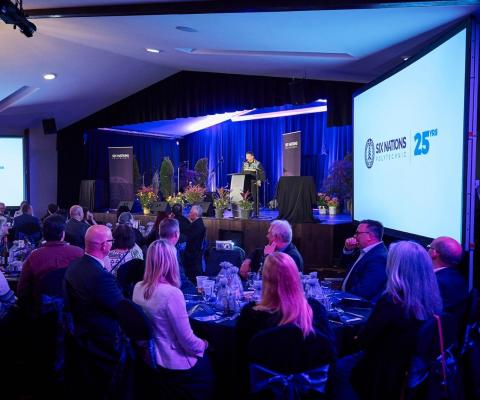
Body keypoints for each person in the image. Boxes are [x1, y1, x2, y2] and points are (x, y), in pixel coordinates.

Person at [334, 241, 443, 400]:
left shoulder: (392, 301)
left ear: (396, 266)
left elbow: (365, 340)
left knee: (336, 367)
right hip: (409, 370)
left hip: (381, 370)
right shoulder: (431, 297)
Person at [236, 252, 334, 395]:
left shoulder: (250, 315)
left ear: (265, 280)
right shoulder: (316, 311)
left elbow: (239, 365)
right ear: (296, 277)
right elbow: (331, 358)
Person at [132, 240, 213, 400]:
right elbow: (187, 341)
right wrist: (204, 344)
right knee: (214, 362)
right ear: (171, 262)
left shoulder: (137, 287)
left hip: (151, 357)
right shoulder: (172, 294)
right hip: (173, 363)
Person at [63, 225, 130, 399]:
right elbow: (121, 308)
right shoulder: (100, 276)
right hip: (103, 343)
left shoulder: (74, 266)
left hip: (79, 337)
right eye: (111, 241)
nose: (112, 244)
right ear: (104, 246)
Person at [17, 215, 83, 315]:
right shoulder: (79, 253)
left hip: (41, 314)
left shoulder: (34, 256)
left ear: (43, 234)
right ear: (63, 234)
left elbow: (22, 291)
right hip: (75, 312)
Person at [341, 219, 387, 301]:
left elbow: (365, 291)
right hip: (346, 297)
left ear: (369, 236)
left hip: (355, 305)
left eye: (358, 233)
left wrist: (342, 299)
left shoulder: (379, 258)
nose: (355, 236)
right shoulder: (364, 250)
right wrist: (348, 250)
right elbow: (343, 266)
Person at [428, 236, 468, 316]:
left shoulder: (433, 282)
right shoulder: (461, 281)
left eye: (429, 247)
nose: (427, 250)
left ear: (434, 253)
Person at [159, 218, 196, 294]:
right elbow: (180, 280)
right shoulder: (172, 251)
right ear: (176, 234)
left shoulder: (152, 248)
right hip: (173, 292)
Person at [184, 205, 206, 281]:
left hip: (193, 254)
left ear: (195, 214)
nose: (188, 214)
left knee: (193, 276)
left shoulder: (197, 225)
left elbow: (189, 237)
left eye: (190, 212)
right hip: (193, 253)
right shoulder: (197, 223)